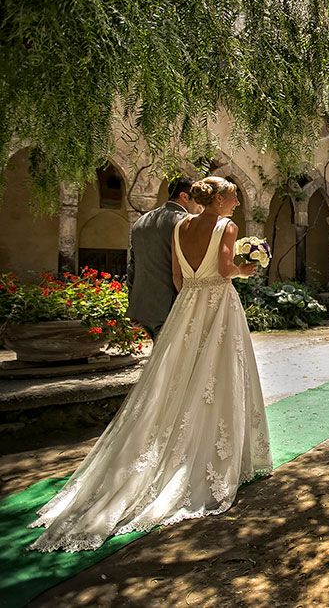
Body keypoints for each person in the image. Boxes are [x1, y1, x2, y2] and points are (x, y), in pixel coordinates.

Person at [29, 176, 271, 552]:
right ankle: (213, 457)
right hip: (217, 307)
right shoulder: (226, 226)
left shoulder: (179, 226)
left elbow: (177, 277)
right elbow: (225, 271)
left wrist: (195, 289)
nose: (237, 203)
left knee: (173, 378)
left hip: (186, 309)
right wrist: (248, 268)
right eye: (234, 197)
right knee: (218, 376)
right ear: (220, 199)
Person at [125, 177, 202, 338]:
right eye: (198, 199)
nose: (200, 206)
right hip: (171, 305)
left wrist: (132, 304)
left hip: (143, 306)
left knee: (159, 359)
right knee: (172, 361)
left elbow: (132, 266)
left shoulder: (141, 221)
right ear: (184, 196)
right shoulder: (185, 222)